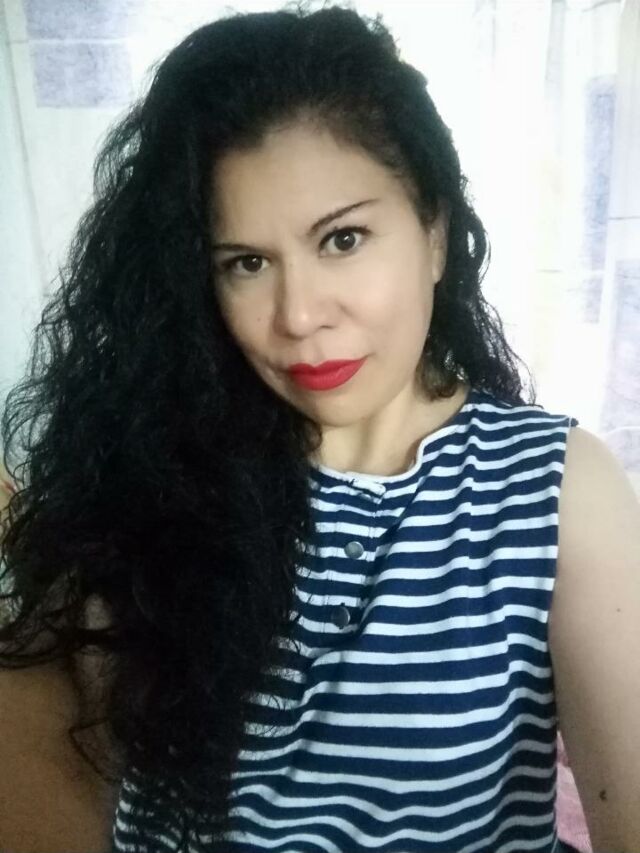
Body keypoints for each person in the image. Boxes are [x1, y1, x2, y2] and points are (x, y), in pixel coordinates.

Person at [1, 3, 639, 852]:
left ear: (435, 233)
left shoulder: (552, 490)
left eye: (342, 239)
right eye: (247, 262)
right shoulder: (152, 462)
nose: (298, 315)